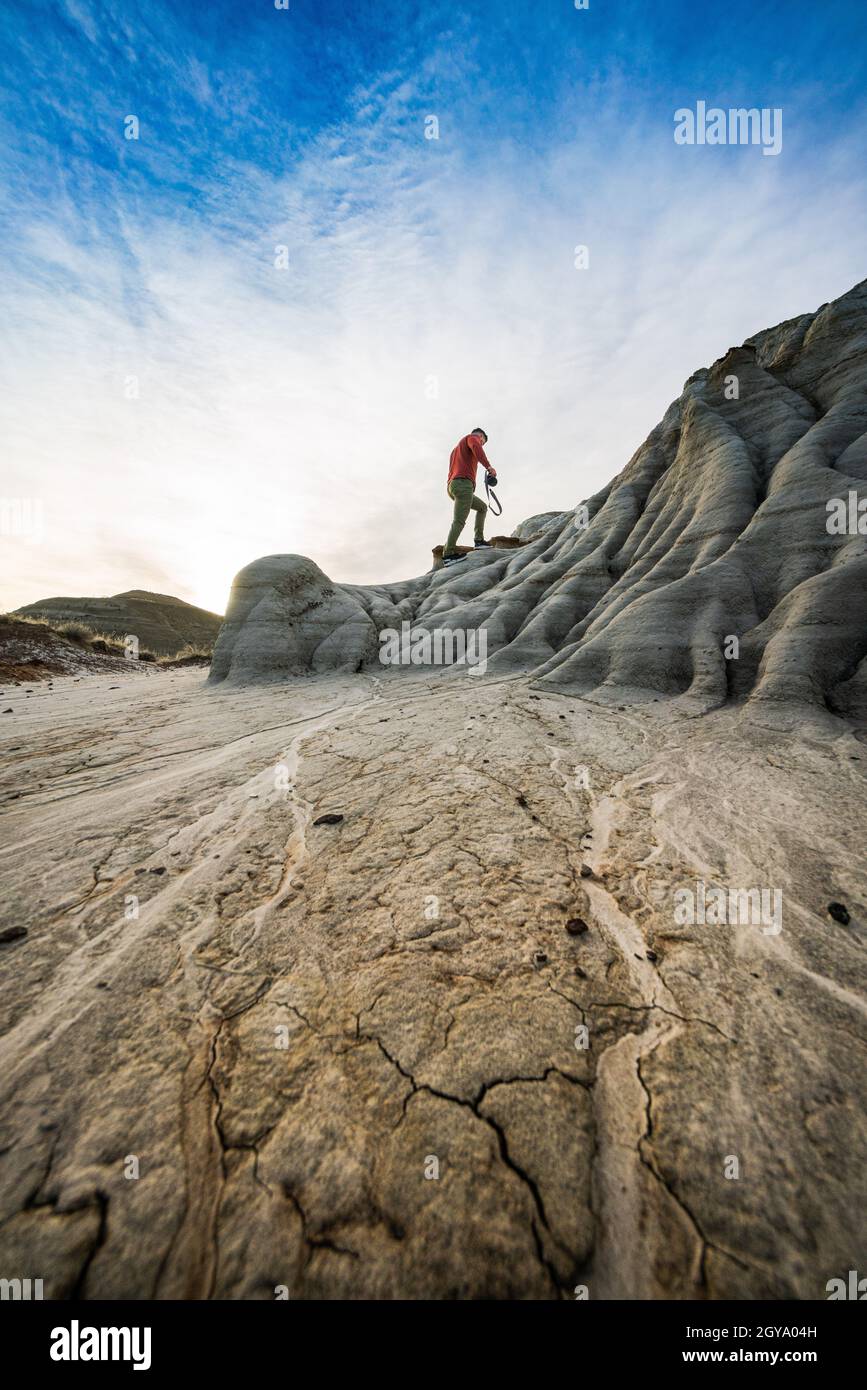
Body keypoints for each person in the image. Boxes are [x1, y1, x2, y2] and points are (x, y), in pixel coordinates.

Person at [442, 427, 498, 567]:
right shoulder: (472, 438)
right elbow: (476, 447)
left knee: (482, 507)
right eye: (483, 442)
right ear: (480, 436)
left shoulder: (455, 450)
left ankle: (479, 541)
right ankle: (448, 554)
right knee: (459, 521)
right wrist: (489, 467)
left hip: (454, 486)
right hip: (463, 485)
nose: (481, 444)